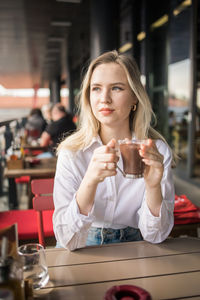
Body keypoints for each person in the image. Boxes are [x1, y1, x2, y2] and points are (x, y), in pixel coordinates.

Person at [53, 50, 175, 251]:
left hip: (136, 243)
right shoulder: (71, 152)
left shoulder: (157, 151)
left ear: (135, 97)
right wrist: (90, 181)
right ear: (88, 96)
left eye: (116, 88)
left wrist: (153, 187)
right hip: (83, 245)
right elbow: (68, 240)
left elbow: (156, 236)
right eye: (96, 89)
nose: (104, 99)